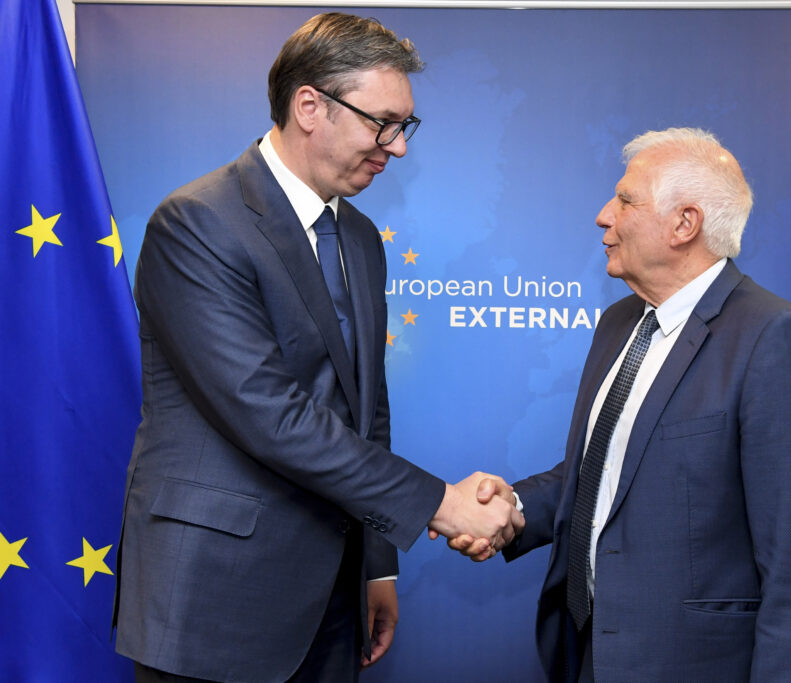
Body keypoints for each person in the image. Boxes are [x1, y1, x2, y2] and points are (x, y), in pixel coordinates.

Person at [113, 13, 521, 683]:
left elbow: (367, 411)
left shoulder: (358, 237)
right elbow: (267, 413)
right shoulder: (197, 223)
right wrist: (440, 502)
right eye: (383, 122)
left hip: (333, 604)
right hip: (216, 606)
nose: (398, 147)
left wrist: (378, 560)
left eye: (404, 127)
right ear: (310, 106)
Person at [459, 127, 791, 681]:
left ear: (683, 224)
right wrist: (515, 507)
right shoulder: (619, 323)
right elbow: (605, 474)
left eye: (625, 199)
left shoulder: (772, 338)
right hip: (587, 650)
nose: (602, 215)